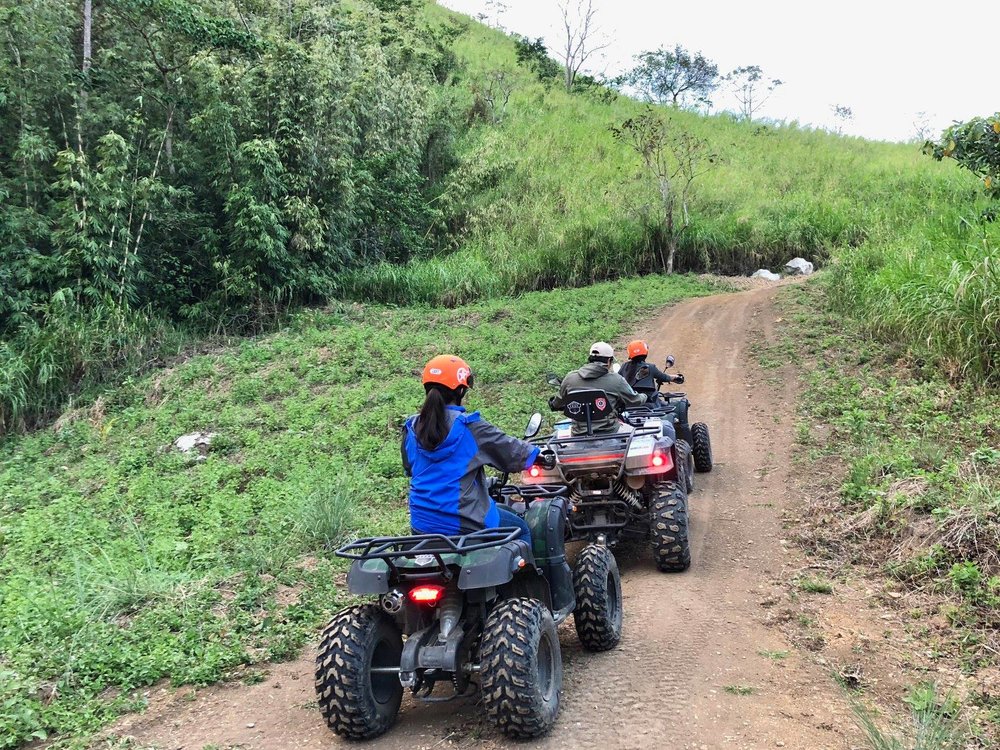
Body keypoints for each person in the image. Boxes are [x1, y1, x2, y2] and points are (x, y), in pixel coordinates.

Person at [402, 354, 549, 546]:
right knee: (520, 530)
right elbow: (511, 450)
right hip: (466, 521)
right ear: (461, 390)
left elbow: (410, 469)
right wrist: (537, 455)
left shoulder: (411, 428)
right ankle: (531, 577)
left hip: (422, 524)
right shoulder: (471, 427)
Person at [548, 342, 647, 433]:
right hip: (610, 431)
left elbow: (556, 404)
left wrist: (553, 403)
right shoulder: (616, 380)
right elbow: (635, 400)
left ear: (590, 359)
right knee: (639, 435)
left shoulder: (570, 378)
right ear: (609, 361)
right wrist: (644, 396)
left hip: (578, 434)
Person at [619, 340, 684, 401]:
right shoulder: (650, 367)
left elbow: (617, 379)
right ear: (645, 352)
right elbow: (664, 377)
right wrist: (676, 377)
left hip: (628, 402)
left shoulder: (624, 366)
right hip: (649, 401)